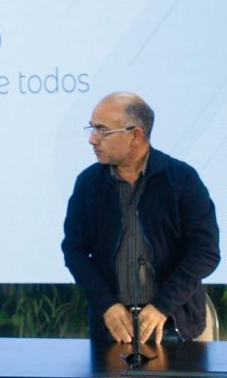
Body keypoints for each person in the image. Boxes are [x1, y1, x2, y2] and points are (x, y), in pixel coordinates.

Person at [62, 92, 220, 344]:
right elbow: (74, 251)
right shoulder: (88, 183)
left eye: (102, 130)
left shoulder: (181, 179)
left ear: (135, 135)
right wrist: (106, 305)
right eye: (92, 128)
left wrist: (161, 305)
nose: (93, 139)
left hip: (175, 323)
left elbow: (205, 252)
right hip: (112, 327)